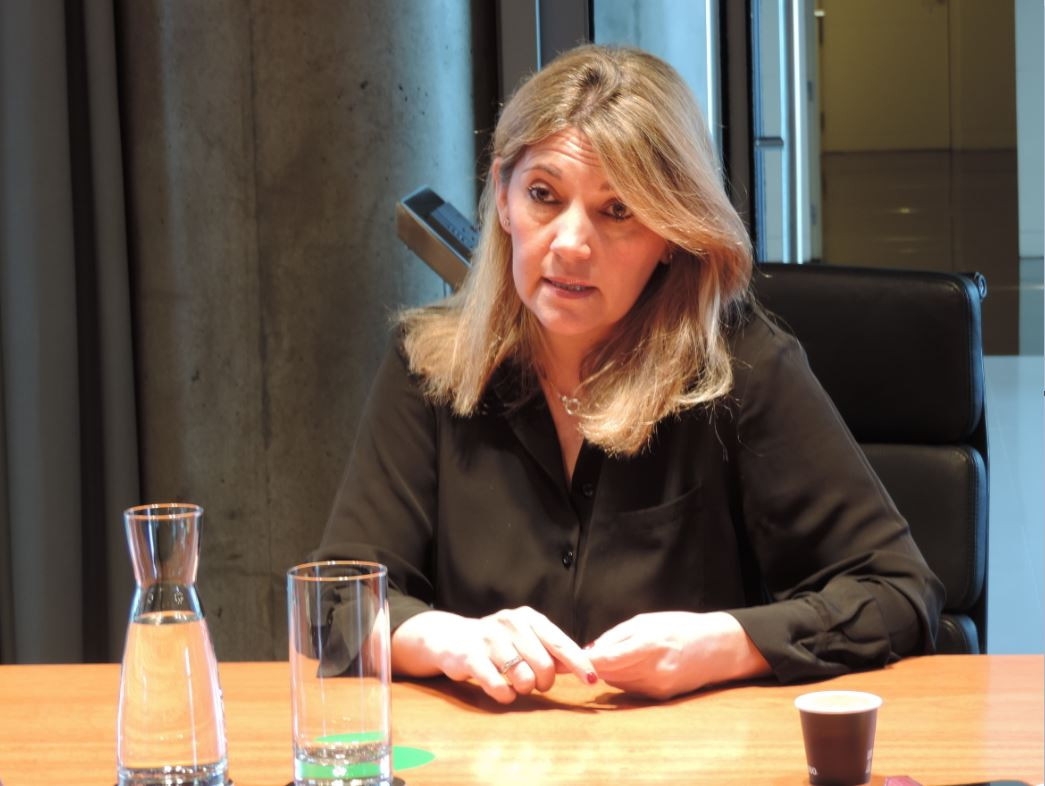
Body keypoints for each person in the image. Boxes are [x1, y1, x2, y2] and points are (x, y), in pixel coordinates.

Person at [316, 44, 943, 704]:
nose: (569, 244)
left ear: (671, 232)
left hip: (693, 750)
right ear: (502, 196)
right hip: (489, 750)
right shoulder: (428, 362)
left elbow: (898, 591)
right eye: (542, 196)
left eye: (617, 210)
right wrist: (447, 638)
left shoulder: (740, 366)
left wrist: (724, 643)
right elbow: (332, 602)